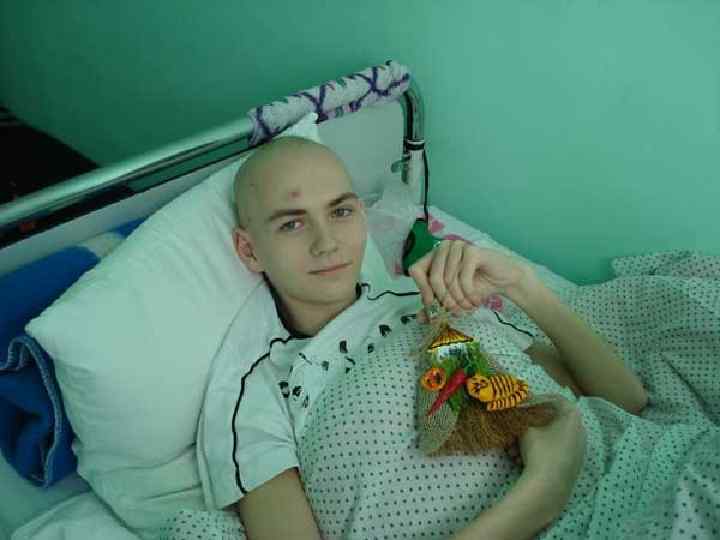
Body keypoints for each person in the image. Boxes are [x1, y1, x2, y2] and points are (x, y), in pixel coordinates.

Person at [215, 136, 648, 540]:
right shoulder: (255, 394)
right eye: (292, 224)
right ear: (249, 251)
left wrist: (523, 285)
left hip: (635, 490)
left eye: (340, 211)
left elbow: (626, 400)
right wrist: (546, 488)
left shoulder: (427, 299)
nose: (326, 243)